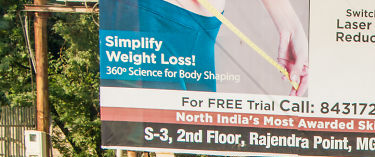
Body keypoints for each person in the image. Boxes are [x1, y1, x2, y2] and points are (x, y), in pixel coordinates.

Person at [101, 0, 308, 95]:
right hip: (148, 16)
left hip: (206, 29)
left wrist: (289, 23)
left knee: (192, 132)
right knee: (162, 132)